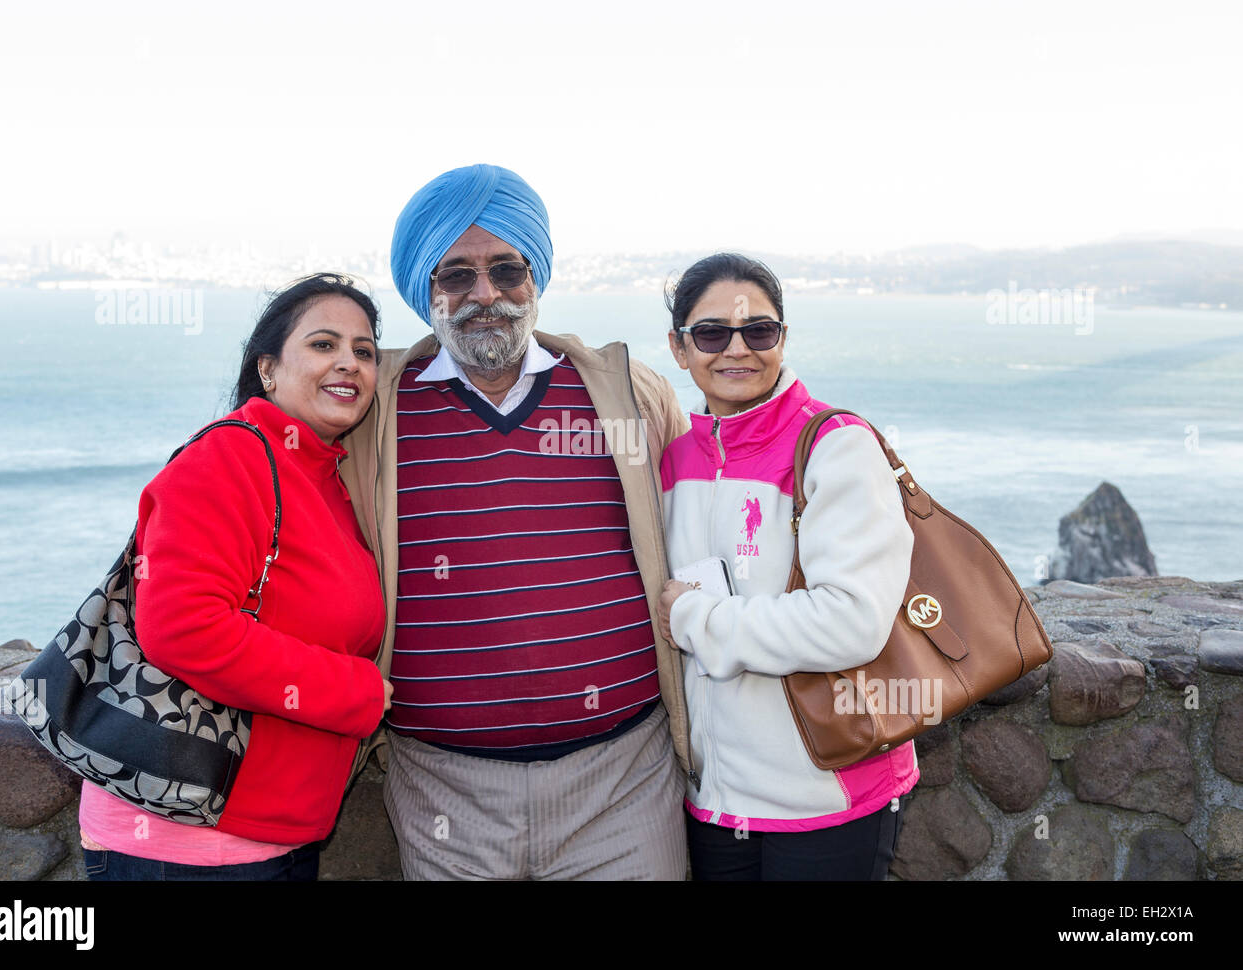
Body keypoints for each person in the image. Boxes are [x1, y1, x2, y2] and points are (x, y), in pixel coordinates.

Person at [338, 163, 693, 880]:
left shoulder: (627, 395)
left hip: (624, 781)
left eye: (507, 269)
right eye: (456, 276)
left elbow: (702, 522)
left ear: (536, 277)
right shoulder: (373, 412)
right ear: (425, 290)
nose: (485, 295)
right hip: (444, 788)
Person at [78, 273, 393, 881]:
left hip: (273, 836)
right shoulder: (231, 459)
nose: (348, 363)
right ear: (268, 369)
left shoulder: (325, 479)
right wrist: (355, 692)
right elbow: (184, 629)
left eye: (364, 351)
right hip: (184, 844)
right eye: (324, 345)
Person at [657, 253, 918, 880]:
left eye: (760, 331)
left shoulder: (837, 446)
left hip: (829, 793)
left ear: (782, 338)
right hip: (716, 803)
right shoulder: (673, 461)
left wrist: (697, 619)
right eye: (712, 333)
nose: (737, 350)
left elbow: (850, 622)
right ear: (679, 347)